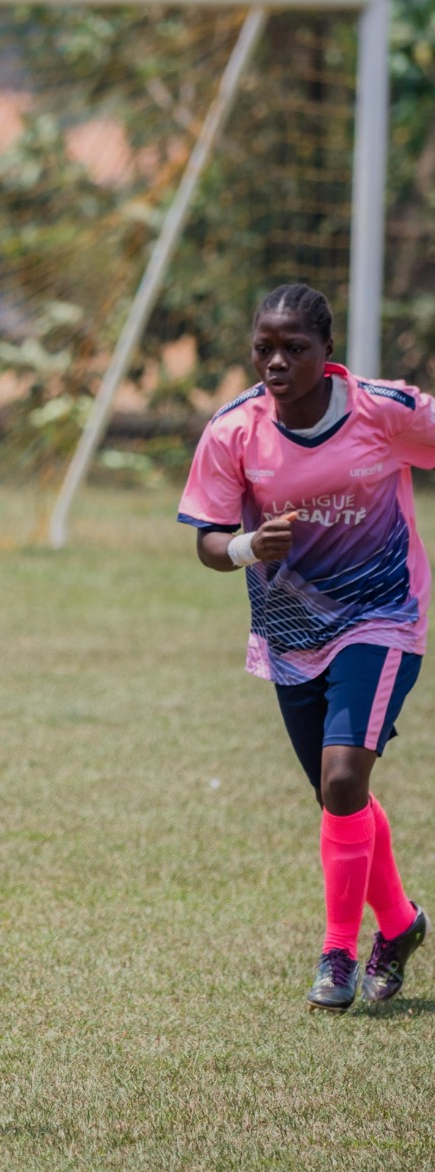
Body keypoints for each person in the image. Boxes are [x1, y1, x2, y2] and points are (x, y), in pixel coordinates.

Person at [178, 283, 431, 1012]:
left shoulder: (385, 411)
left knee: (344, 778)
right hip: (291, 631)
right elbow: (208, 541)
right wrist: (248, 546)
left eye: (294, 348)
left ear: (328, 353)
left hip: (382, 615)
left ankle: (338, 953)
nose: (277, 362)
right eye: (265, 348)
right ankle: (401, 924)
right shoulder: (234, 430)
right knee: (335, 795)